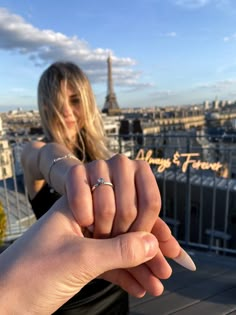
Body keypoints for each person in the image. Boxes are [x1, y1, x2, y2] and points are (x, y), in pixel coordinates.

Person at [21, 61, 195, 314]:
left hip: (115, 286)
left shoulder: (105, 158)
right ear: (45, 105)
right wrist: (75, 176)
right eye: (57, 102)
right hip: (65, 295)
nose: (67, 111)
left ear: (89, 103)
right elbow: (46, 156)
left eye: (75, 100)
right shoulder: (35, 151)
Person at [0, 196, 186, 315]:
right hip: (70, 295)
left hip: (113, 279)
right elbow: (47, 158)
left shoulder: (98, 152)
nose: (66, 130)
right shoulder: (39, 149)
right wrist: (76, 176)